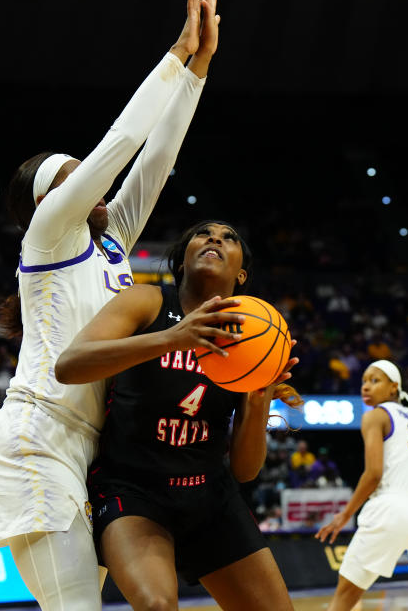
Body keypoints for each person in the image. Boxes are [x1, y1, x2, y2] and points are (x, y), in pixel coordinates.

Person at [0, 0, 219, 610]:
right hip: (37, 438)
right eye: (70, 176)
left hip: (90, 448)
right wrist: (173, 55)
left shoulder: (108, 242)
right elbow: (121, 145)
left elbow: (157, 157)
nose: (88, 181)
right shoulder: (49, 234)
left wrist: (198, 70)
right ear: (49, 201)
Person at [55, 220, 300, 610]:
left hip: (210, 497)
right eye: (203, 234)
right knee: (156, 605)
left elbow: (246, 470)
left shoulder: (252, 336)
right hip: (134, 491)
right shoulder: (147, 302)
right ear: (182, 262)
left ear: (241, 274)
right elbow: (68, 365)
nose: (215, 238)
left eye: (229, 237)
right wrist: (173, 337)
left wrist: (257, 401)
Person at [315, 360, 408, 611]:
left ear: (394, 387)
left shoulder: (375, 416)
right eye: (364, 380)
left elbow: (373, 474)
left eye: (375, 380)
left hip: (390, 508)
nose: (366, 386)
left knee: (345, 595)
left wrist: (345, 514)